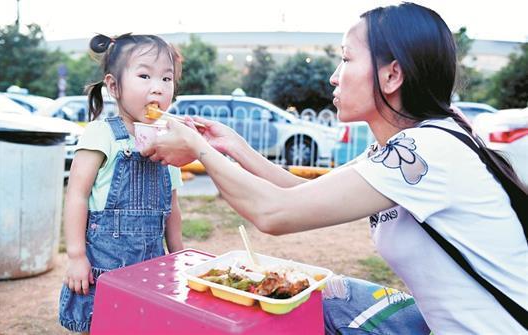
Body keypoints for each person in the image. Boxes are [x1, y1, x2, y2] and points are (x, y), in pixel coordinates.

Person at [143, 3, 528, 334]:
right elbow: (298, 191)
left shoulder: (424, 149)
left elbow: (274, 212)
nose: (333, 76)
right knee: (322, 294)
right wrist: (229, 146)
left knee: (312, 301)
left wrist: (196, 149)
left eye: (345, 58)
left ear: (392, 75)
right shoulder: (411, 143)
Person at [59, 33, 184, 333]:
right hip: (104, 274)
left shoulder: (169, 141)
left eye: (166, 79)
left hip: (153, 272)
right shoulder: (101, 133)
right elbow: (77, 195)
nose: (158, 88)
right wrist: (76, 256)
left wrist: (180, 256)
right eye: (144, 75)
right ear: (114, 86)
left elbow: (173, 206)